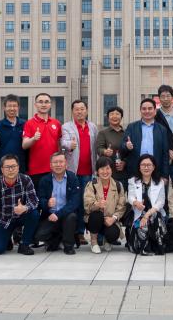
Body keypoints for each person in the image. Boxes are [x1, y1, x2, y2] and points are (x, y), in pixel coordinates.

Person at [0, 153, 41, 255]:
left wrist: (25, 208)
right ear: (2, 169)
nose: (11, 170)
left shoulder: (26, 180)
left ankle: (24, 244)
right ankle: (7, 239)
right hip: (4, 220)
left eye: (13, 166)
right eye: (7, 167)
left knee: (34, 214)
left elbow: (35, 201)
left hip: (21, 216)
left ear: (18, 167)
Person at [61, 99, 97, 243]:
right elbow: (63, 142)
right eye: (76, 109)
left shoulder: (92, 127)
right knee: (73, 201)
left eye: (82, 109)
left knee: (84, 202)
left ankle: (81, 232)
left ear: (86, 111)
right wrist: (69, 144)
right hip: (73, 171)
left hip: (89, 171)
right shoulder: (66, 126)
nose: (80, 112)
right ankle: (73, 231)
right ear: (72, 111)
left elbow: (96, 147)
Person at [34, 151, 82, 254]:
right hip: (50, 216)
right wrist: (47, 203)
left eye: (61, 162)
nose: (58, 165)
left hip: (66, 215)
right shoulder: (44, 180)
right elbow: (40, 199)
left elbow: (75, 201)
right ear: (50, 165)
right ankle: (58, 238)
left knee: (72, 217)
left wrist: (58, 214)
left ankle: (68, 246)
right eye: (55, 162)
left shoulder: (72, 178)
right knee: (39, 235)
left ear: (66, 164)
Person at [126, 154, 168, 255]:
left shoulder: (160, 182)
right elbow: (130, 197)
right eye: (143, 165)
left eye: (149, 165)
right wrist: (136, 203)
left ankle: (156, 245)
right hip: (138, 213)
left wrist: (147, 215)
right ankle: (143, 247)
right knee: (141, 226)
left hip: (153, 212)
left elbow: (161, 202)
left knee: (154, 217)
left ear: (153, 167)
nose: (146, 167)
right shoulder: (133, 181)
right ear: (139, 167)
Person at [83, 157, 126, 253]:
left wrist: (113, 218)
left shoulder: (118, 185)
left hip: (110, 220)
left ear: (112, 170)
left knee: (113, 233)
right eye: (102, 169)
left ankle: (107, 240)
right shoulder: (92, 184)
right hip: (94, 219)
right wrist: (97, 205)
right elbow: (87, 205)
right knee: (96, 215)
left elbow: (121, 206)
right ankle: (94, 241)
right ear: (97, 171)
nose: (105, 172)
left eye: (107, 168)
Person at [123, 99, 170, 179]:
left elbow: (165, 154)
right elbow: (122, 146)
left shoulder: (162, 129)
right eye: (144, 109)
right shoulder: (132, 127)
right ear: (140, 111)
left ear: (155, 111)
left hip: (156, 171)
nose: (147, 111)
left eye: (150, 108)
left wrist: (165, 175)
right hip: (135, 171)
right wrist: (126, 146)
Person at [22, 92, 62, 185]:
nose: (43, 104)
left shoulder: (56, 123)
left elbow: (59, 144)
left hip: (55, 168)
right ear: (35, 104)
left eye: (46, 102)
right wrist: (33, 139)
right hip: (36, 170)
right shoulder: (29, 123)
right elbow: (24, 145)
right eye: (40, 102)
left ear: (50, 104)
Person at [0, 94, 26, 175]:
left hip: (20, 168)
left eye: (14, 106)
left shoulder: (24, 124)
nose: (12, 108)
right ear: (4, 107)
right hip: (1, 169)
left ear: (18, 107)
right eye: (9, 106)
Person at [156, 84, 173, 181]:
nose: (166, 99)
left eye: (168, 96)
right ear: (159, 98)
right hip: (161, 160)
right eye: (163, 96)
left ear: (172, 97)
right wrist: (167, 151)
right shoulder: (155, 116)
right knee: (162, 187)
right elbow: (155, 138)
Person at [96, 106, 128, 185]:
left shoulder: (127, 133)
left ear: (121, 117)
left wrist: (124, 162)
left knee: (122, 192)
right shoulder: (103, 133)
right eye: (112, 114)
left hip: (124, 171)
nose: (114, 116)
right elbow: (98, 148)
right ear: (108, 118)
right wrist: (105, 151)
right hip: (107, 172)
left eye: (117, 114)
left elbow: (131, 152)